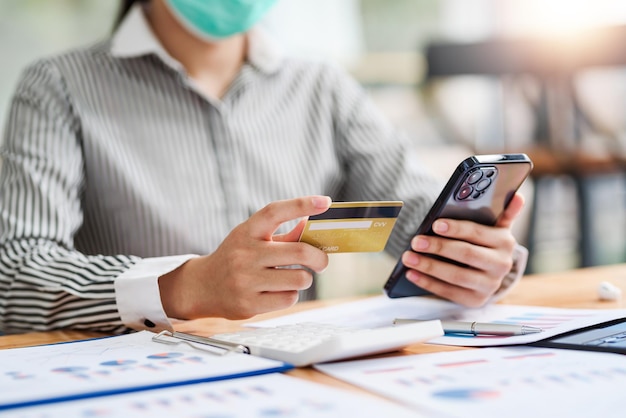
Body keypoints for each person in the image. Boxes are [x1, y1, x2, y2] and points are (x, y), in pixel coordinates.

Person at [0, 0, 527, 334]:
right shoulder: (58, 88)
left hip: (297, 381)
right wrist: (183, 286)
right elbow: (15, 274)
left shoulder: (323, 87)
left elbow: (417, 220)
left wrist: (474, 262)